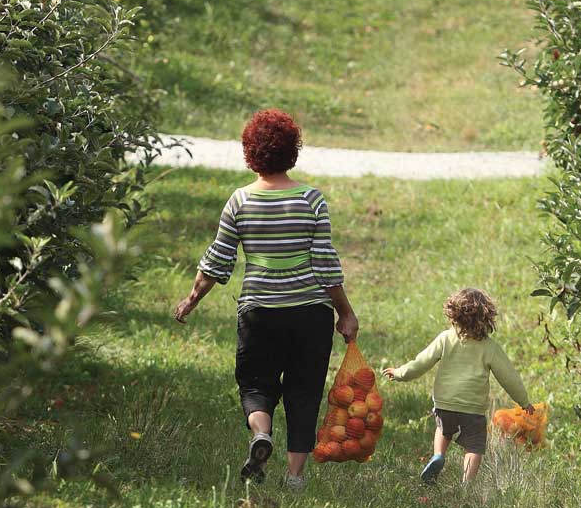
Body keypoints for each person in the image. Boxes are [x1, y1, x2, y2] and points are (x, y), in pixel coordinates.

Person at [173, 109, 360, 487]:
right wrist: (345, 313)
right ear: (293, 151)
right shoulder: (311, 200)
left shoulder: (240, 201)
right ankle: (294, 477)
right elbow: (324, 263)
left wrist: (191, 300)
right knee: (304, 392)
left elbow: (217, 260)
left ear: (250, 153)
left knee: (257, 385)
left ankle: (261, 434)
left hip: (259, 312)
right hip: (310, 315)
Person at [382, 287, 533, 485]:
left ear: (453, 314)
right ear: (486, 318)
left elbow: (421, 363)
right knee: (474, 447)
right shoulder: (489, 347)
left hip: (445, 403)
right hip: (472, 409)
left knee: (443, 430)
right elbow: (509, 377)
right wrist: (524, 402)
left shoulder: (445, 338)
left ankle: (438, 455)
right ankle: (466, 484)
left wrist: (400, 373)